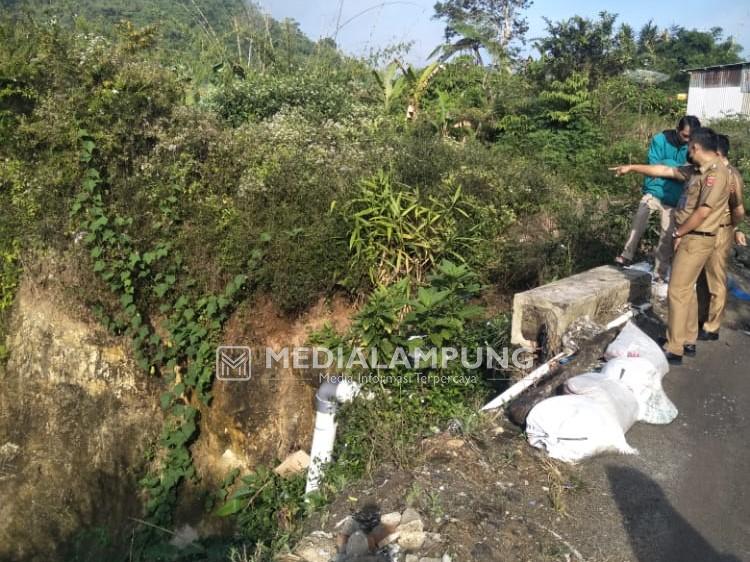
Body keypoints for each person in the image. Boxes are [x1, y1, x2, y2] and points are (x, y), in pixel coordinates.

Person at [611, 127, 731, 364]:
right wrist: (633, 167)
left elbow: (704, 211)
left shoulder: (716, 173)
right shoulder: (698, 170)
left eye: (688, 147)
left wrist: (679, 231)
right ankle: (687, 339)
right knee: (688, 290)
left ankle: (674, 347)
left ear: (695, 147)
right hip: (693, 236)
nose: (687, 150)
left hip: (696, 237)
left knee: (677, 291)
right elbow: (664, 170)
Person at [615, 116, 701, 282]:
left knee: (667, 234)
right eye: (685, 135)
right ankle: (626, 254)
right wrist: (673, 169)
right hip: (655, 191)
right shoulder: (660, 140)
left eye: (691, 137)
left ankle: (660, 272)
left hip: (675, 198)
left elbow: (687, 173)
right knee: (641, 213)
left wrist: (666, 166)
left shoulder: (695, 146)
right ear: (677, 130)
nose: (688, 140)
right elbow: (654, 168)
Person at [697, 134, 746, 340]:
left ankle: (712, 326)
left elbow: (738, 209)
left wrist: (731, 229)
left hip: (720, 230)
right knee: (702, 278)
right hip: (705, 230)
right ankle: (700, 319)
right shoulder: (713, 172)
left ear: (716, 153)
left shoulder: (731, 175)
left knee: (716, 279)